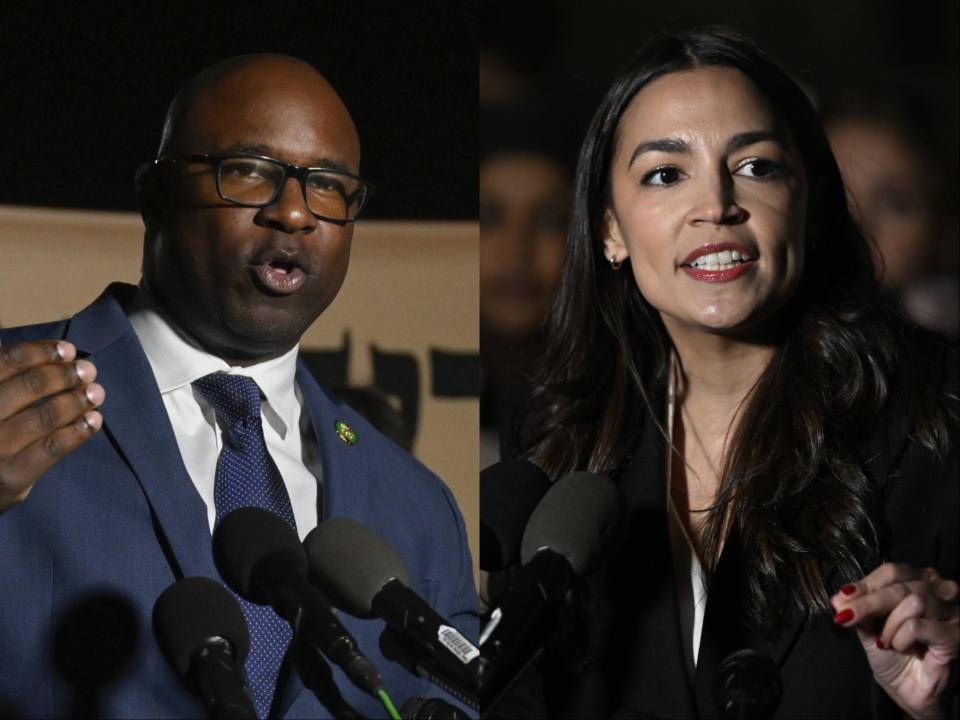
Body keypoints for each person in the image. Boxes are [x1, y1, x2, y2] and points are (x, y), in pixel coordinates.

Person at [494, 29, 958, 718]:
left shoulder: (933, 411)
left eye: (756, 167)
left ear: (808, 201)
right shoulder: (556, 437)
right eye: (664, 174)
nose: (715, 204)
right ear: (610, 231)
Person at [0, 55, 477, 719]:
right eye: (251, 173)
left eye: (330, 186)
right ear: (155, 196)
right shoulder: (13, 387)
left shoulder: (418, 508)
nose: (294, 214)